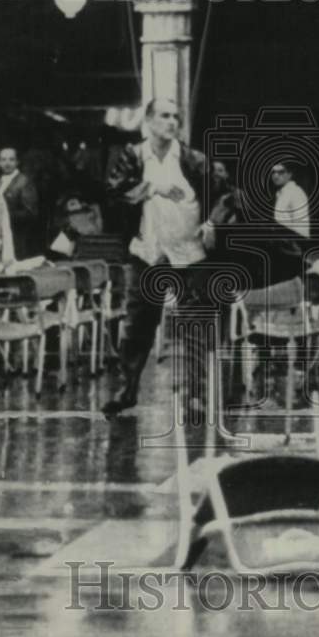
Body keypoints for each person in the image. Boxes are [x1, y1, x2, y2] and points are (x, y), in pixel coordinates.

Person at [101, 98, 221, 415]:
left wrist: (212, 222)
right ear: (150, 121)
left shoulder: (194, 160)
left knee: (195, 324)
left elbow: (224, 194)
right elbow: (113, 193)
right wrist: (153, 187)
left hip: (189, 253)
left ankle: (196, 395)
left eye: (176, 117)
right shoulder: (134, 157)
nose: (171, 122)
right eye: (164, 116)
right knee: (138, 324)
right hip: (148, 252)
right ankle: (128, 390)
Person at [0, 147, 39, 260]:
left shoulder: (24, 182)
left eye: (11, 159)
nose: (7, 163)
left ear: (17, 162)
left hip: (18, 239)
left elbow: (31, 213)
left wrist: (5, 216)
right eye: (3, 160)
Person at [271, 161, 310, 238]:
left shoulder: (296, 192)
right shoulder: (280, 194)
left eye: (281, 172)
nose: (276, 176)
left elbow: (301, 228)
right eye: (273, 172)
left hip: (295, 244)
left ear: (289, 174)